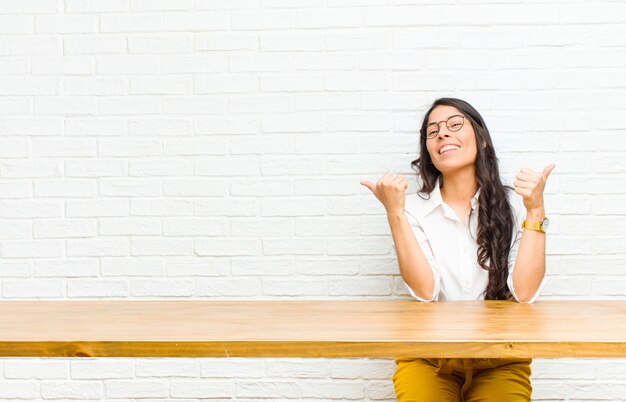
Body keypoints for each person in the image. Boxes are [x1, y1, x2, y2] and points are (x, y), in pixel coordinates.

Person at [360, 97, 555, 402]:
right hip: (427, 358)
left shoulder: (517, 204)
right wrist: (394, 213)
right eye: (433, 131)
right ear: (429, 151)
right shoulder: (412, 209)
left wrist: (536, 211)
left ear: (482, 140)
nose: (442, 134)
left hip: (499, 360)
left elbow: (526, 293)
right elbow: (425, 291)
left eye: (454, 125)